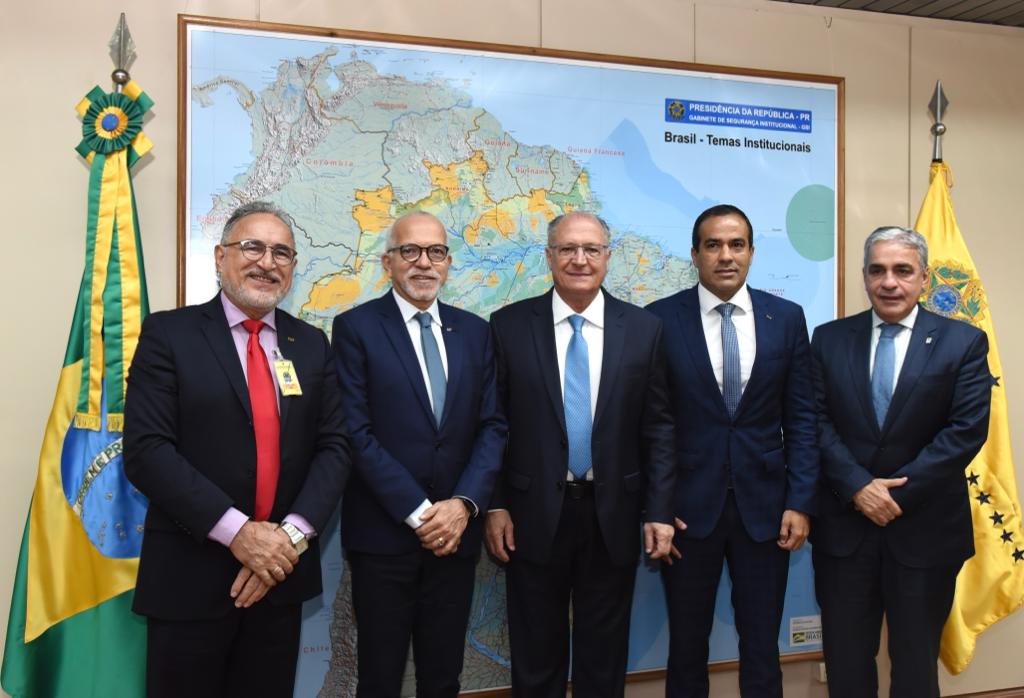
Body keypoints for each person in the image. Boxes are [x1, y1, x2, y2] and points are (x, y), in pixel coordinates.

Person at [123, 201, 351, 698]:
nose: (267, 262)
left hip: (280, 577)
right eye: (252, 247)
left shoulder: (311, 343)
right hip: (190, 578)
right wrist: (240, 534)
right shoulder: (169, 334)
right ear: (220, 256)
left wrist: (288, 539)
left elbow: (335, 447)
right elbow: (147, 450)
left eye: (281, 252)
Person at [485, 211, 676, 697]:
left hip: (612, 514)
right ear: (549, 257)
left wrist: (659, 510)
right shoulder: (508, 326)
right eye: (568, 248)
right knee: (536, 657)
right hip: (530, 515)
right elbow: (493, 426)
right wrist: (497, 504)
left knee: (603, 660)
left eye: (591, 249)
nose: (580, 259)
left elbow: (658, 428)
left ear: (607, 257)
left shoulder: (644, 329)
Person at [810, 226, 992, 697]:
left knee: (915, 667)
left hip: (925, 532)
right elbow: (814, 421)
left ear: (924, 277)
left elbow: (965, 432)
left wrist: (894, 495)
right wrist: (858, 486)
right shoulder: (829, 339)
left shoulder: (963, 342)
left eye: (902, 270)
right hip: (845, 532)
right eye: (878, 270)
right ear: (865, 276)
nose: (889, 282)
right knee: (847, 664)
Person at [331, 211, 507, 697]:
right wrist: (421, 513)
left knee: (443, 677)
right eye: (410, 250)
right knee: (380, 678)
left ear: (448, 262)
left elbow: (492, 426)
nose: (423, 262)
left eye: (436, 252)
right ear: (388, 262)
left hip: (456, 537)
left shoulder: (475, 332)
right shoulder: (355, 328)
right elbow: (355, 432)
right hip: (384, 538)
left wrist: (463, 505)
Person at [646, 204, 818, 697]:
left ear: (751, 252)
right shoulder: (658, 320)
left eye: (736, 244)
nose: (726, 256)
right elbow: (652, 424)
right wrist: (657, 507)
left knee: (762, 646)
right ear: (694, 254)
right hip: (686, 514)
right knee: (686, 647)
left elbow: (802, 419)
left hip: (766, 511)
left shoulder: (786, 318)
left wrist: (800, 501)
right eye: (714, 245)